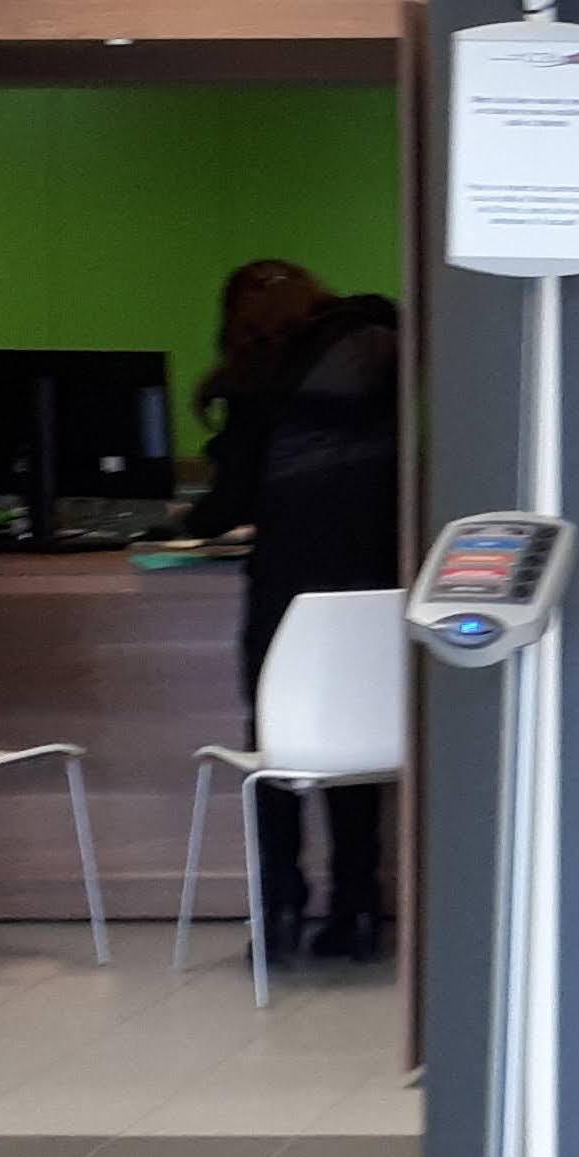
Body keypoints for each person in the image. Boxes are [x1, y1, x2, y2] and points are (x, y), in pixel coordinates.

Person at [180, 258, 406, 962]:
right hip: (376, 582)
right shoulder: (388, 351)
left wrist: (176, 524)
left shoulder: (261, 373)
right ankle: (357, 906)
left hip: (290, 584)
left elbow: (231, 500)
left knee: (275, 743)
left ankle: (280, 903)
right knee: (357, 744)